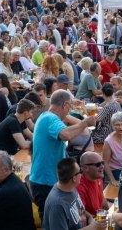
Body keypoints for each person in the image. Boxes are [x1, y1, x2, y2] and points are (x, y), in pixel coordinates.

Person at [30, 89, 96, 218]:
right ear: (64, 105)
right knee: (50, 222)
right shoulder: (51, 118)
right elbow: (65, 134)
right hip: (45, 181)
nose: (69, 110)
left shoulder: (46, 116)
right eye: (69, 107)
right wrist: (85, 123)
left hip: (43, 178)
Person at [42, 156, 105, 230]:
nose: (82, 174)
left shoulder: (70, 187)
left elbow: (81, 209)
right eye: (80, 171)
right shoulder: (57, 205)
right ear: (74, 178)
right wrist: (92, 227)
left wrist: (91, 218)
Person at [102, 112, 122, 185]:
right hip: (118, 170)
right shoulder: (108, 141)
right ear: (112, 126)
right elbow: (105, 162)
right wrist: (112, 180)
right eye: (117, 125)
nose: (120, 127)